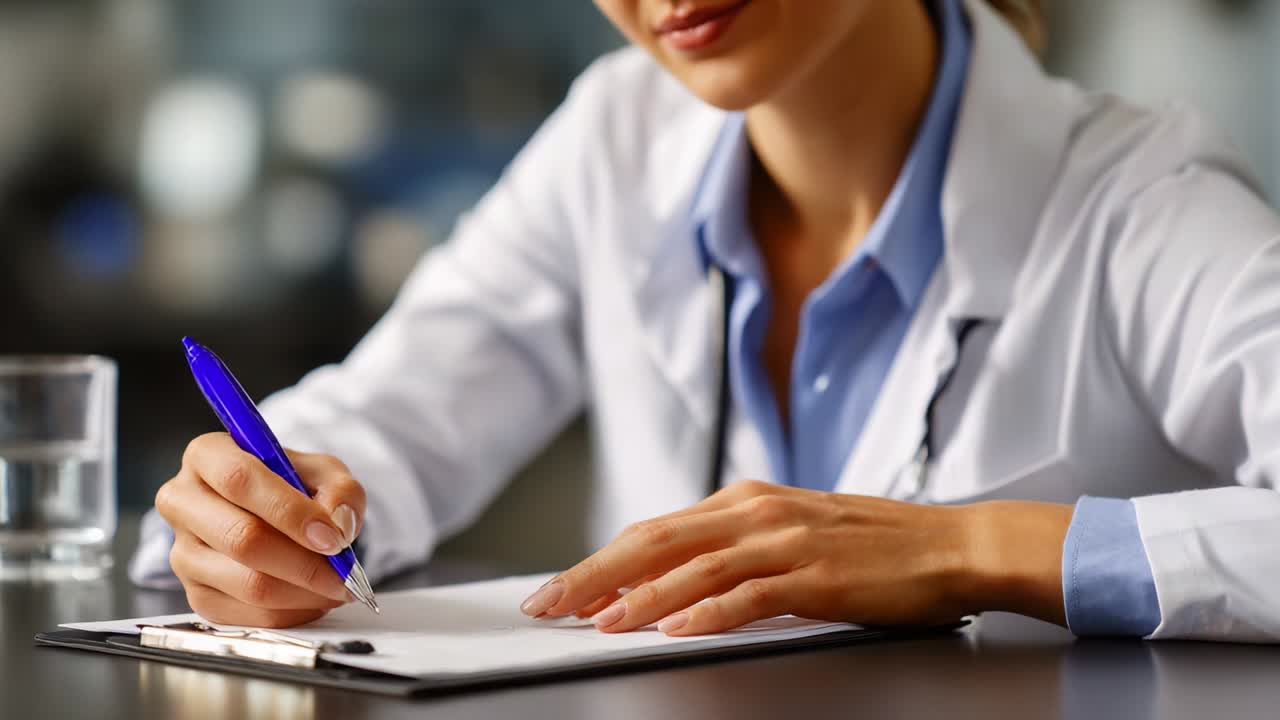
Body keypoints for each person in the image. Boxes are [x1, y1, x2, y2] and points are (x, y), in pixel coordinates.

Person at [132, 0, 1280, 642]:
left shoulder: (1137, 201)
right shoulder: (617, 137)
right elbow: (391, 415)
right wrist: (268, 517)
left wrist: (963, 548)